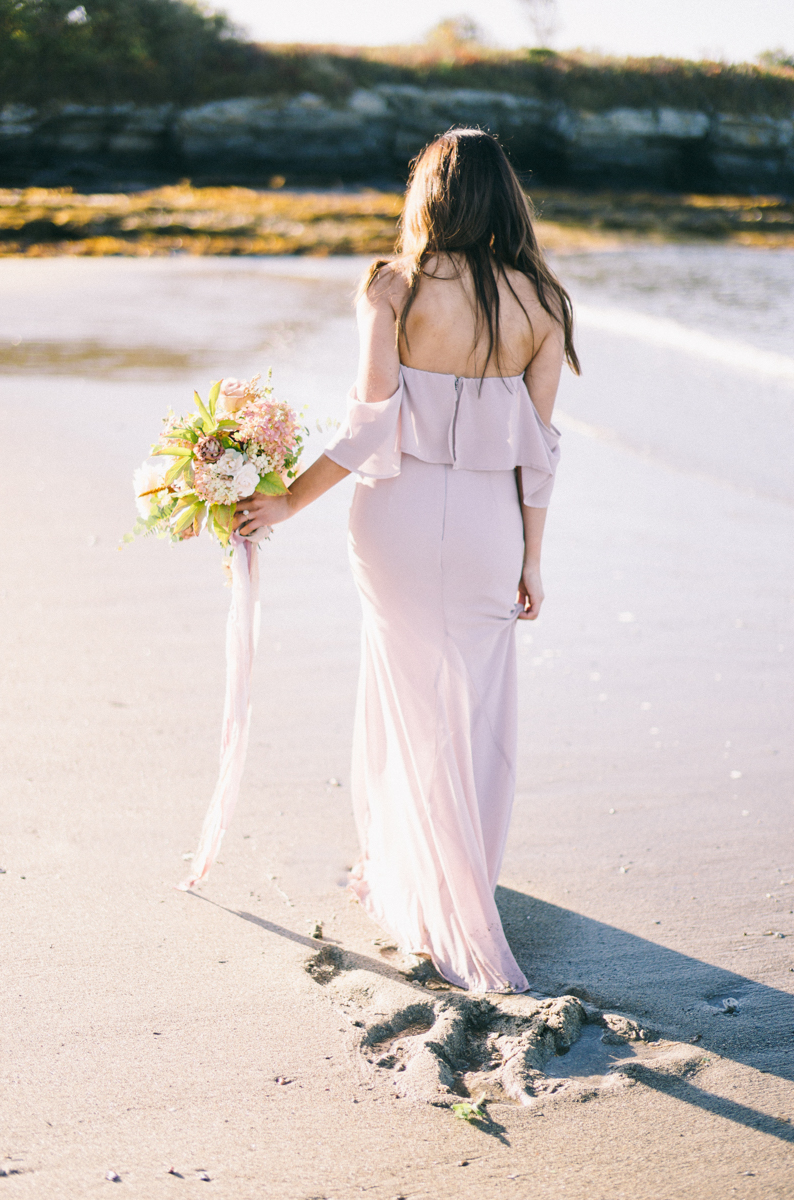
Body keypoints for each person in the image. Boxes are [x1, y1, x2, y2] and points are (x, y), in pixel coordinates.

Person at [235, 129, 580, 992]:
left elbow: (366, 426)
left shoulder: (397, 287)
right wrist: (534, 558)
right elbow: (539, 451)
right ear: (507, 196)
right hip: (489, 526)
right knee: (475, 708)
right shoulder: (543, 300)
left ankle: (418, 887)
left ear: (428, 194)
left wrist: (285, 501)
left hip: (394, 516)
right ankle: (465, 886)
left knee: (402, 700)